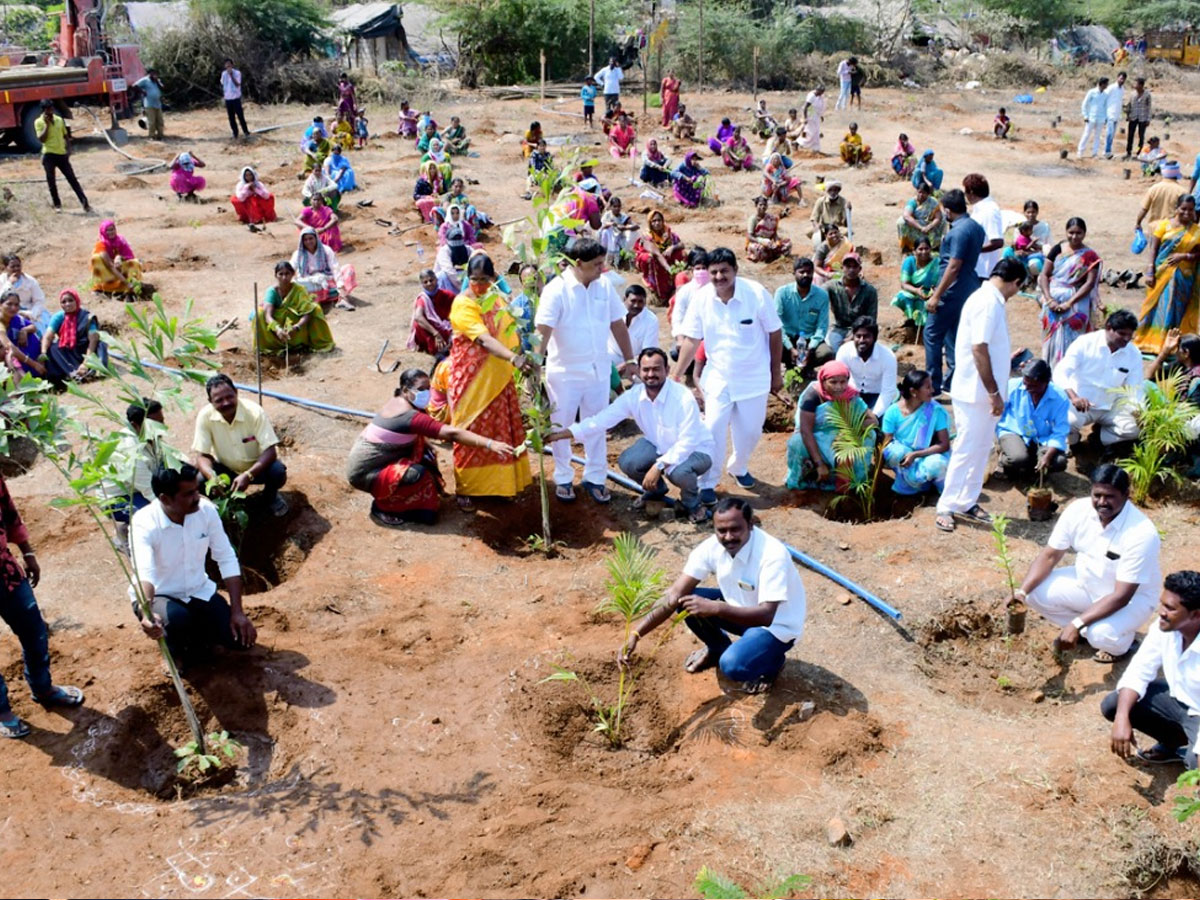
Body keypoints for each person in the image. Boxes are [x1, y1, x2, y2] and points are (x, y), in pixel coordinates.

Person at [619, 497, 806, 693]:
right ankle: (717, 648)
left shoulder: (772, 555)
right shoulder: (711, 548)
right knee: (684, 600)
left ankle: (773, 664)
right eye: (721, 531)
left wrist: (716, 608)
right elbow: (674, 594)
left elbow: (766, 615)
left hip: (776, 626)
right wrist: (636, 634)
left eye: (735, 529)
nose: (728, 537)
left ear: (750, 525)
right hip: (738, 607)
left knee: (733, 666)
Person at [548, 348, 714, 522]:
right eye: (646, 370)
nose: (651, 374)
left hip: (696, 450)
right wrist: (564, 434)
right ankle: (655, 492)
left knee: (678, 472)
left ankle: (692, 504)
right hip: (659, 445)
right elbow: (602, 420)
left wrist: (658, 466)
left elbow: (688, 442)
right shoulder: (634, 396)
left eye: (656, 369)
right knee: (629, 462)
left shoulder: (683, 397)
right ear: (639, 371)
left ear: (667, 369)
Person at [672, 247, 785, 499]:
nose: (719, 277)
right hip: (718, 379)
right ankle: (708, 484)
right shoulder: (701, 298)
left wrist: (775, 373)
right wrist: (676, 374)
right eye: (714, 272)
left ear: (735, 270)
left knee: (751, 432)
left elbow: (775, 332)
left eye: (724, 270)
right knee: (712, 430)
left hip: (754, 379)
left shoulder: (755, 294)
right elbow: (692, 339)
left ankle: (738, 466)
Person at [1018, 464, 1161, 661]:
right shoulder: (1078, 510)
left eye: (1110, 496)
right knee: (1034, 593)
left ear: (1127, 494)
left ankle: (1122, 645)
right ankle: (1087, 628)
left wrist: (1076, 624)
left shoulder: (1142, 532)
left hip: (1132, 600)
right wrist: (1021, 592)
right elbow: (1050, 556)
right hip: (1087, 582)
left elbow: (1121, 596)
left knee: (1101, 635)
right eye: (1097, 495)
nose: (1102, 502)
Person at [347, 368, 515, 528]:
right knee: (419, 475)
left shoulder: (401, 402)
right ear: (405, 391)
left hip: (377, 462)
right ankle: (383, 507)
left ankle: (404, 500)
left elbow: (415, 436)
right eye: (421, 389)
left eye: (428, 388)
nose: (426, 393)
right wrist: (490, 443)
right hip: (364, 474)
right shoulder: (408, 415)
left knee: (425, 454)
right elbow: (452, 434)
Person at [535, 238, 634, 502]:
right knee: (561, 427)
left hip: (598, 372)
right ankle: (564, 476)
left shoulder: (604, 287)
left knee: (597, 426)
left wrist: (630, 359)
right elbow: (542, 332)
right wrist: (535, 365)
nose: (603, 268)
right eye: (597, 264)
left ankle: (595, 476)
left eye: (603, 262)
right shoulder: (556, 290)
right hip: (564, 374)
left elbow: (618, 325)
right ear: (578, 264)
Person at [131, 464, 256, 674]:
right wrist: (148, 611)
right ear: (165, 499)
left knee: (240, 641)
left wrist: (237, 612)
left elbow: (225, 557)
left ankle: (198, 637)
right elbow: (145, 573)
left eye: (197, 490)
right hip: (161, 595)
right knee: (177, 623)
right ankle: (174, 653)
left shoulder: (206, 511)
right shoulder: (143, 522)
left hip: (198, 591)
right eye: (188, 494)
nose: (197, 496)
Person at [933, 258, 1024, 533]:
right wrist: (994, 392)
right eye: (1019, 288)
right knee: (966, 449)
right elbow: (978, 349)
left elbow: (988, 348)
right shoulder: (987, 302)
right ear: (1016, 283)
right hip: (977, 393)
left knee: (982, 449)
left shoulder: (990, 299)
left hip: (983, 392)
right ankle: (946, 506)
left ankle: (967, 500)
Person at [0, 472, 85, 739]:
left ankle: (43, 688)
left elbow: (9, 510)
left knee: (35, 632)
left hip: (6, 574)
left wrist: (27, 551)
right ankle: (2, 712)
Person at [447, 253, 533, 506]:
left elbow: (511, 329)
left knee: (501, 427)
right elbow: (482, 338)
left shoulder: (496, 300)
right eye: (474, 280)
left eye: (484, 280)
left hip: (499, 377)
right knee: (469, 427)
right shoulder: (463, 304)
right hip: (472, 379)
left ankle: (500, 485)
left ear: (494, 278)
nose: (479, 285)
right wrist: (513, 358)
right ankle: (468, 489)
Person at [1104, 570, 1200, 766]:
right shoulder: (1164, 627)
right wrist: (1122, 717)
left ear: (1195, 614)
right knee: (1116, 704)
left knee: (1195, 763)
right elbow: (1139, 669)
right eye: (1162, 604)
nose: (1161, 612)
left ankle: (1190, 751)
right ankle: (1172, 744)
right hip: (1180, 699)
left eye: (1170, 608)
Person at [192, 374, 288, 517]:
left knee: (277, 471)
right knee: (200, 479)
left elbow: (270, 451)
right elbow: (202, 455)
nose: (226, 403)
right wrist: (212, 477)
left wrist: (248, 475)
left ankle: (270, 497)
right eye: (219, 400)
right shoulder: (205, 416)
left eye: (229, 397)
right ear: (210, 401)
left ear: (236, 392)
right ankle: (223, 505)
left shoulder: (254, 412)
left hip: (256, 469)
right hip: (226, 469)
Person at [1054, 309, 1144, 450]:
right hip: (1081, 403)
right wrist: (1074, 397)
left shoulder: (1134, 354)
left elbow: (1134, 389)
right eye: (1122, 334)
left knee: (1134, 429)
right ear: (1108, 328)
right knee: (1067, 422)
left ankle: (1097, 439)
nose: (1126, 339)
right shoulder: (1085, 343)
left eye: (1130, 335)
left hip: (1111, 406)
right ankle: (1072, 440)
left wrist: (1138, 413)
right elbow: (1061, 372)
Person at [924, 189, 985, 396]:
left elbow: (954, 265)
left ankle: (932, 385)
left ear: (948, 211)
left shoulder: (958, 231)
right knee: (955, 335)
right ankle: (953, 380)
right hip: (969, 285)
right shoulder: (976, 227)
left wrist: (936, 295)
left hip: (953, 288)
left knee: (932, 334)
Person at [786, 359, 875, 491]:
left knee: (869, 435)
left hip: (842, 438)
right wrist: (819, 463)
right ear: (823, 381)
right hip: (816, 439)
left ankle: (853, 482)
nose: (839, 387)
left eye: (843, 382)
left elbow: (873, 421)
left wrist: (850, 431)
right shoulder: (812, 396)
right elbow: (805, 431)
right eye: (833, 382)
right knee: (796, 442)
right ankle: (804, 480)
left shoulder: (851, 395)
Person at [1136, 194, 1200, 354]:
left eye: (1190, 210)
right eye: (1183, 209)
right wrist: (1150, 270)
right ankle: (1150, 341)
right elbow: (1153, 249)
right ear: (1176, 208)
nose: (1186, 213)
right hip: (1161, 273)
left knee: (1176, 309)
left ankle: (1171, 344)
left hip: (1185, 278)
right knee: (1155, 307)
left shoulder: (1196, 231)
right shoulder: (1163, 226)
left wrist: (1184, 256)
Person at [1037, 216, 1101, 364]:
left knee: (1074, 338)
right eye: (1071, 232)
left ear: (1084, 233)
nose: (1074, 236)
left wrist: (1069, 303)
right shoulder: (1058, 249)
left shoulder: (1090, 256)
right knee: (1051, 337)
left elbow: (1089, 283)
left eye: (1078, 233)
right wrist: (1049, 299)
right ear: (1066, 232)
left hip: (1076, 300)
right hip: (1052, 297)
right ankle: (1050, 369)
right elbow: (1044, 275)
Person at [995, 357, 1071, 479]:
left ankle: (1031, 463)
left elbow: (1060, 431)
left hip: (1043, 437)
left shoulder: (1059, 397)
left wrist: (1047, 456)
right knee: (1018, 458)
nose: (1027, 389)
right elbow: (997, 410)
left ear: (1046, 382)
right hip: (1013, 430)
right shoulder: (1012, 386)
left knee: (1059, 462)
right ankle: (1006, 458)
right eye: (1025, 384)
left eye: (1033, 386)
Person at [105, 398, 164, 553]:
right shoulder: (130, 448)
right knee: (152, 518)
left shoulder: (152, 437)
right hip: (121, 497)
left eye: (162, 421)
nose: (161, 427)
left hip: (142, 488)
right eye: (154, 425)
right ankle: (128, 538)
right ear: (134, 426)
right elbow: (149, 491)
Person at [881, 369, 951, 495]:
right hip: (903, 457)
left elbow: (944, 444)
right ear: (913, 391)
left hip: (926, 455)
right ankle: (908, 485)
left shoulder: (935, 411)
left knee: (938, 464)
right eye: (928, 387)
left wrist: (916, 454)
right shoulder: (892, 412)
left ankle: (939, 491)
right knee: (896, 452)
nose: (933, 391)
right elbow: (886, 443)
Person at [252, 260, 334, 356]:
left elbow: (306, 312)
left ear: (292, 274)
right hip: (277, 324)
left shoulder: (299, 290)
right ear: (276, 276)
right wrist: (277, 329)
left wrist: (296, 327)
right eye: (280, 274)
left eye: (287, 274)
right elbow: (267, 315)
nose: (284, 277)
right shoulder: (272, 291)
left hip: (294, 325)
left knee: (315, 309)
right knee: (260, 313)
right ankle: (272, 347)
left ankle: (309, 342)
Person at [775, 257, 832, 371]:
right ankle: (790, 364)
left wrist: (810, 349)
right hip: (788, 339)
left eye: (809, 272)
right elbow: (777, 324)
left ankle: (807, 366)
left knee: (827, 353)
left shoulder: (822, 296)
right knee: (768, 347)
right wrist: (791, 348)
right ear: (794, 273)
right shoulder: (782, 293)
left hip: (809, 339)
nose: (805, 275)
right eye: (801, 272)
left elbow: (822, 326)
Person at [40, 289, 107, 385]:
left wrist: (86, 363)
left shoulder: (86, 317)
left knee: (100, 344)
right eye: (64, 302)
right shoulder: (58, 317)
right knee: (53, 348)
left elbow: (93, 339)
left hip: (86, 350)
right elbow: (48, 336)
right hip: (69, 352)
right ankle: (74, 374)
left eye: (71, 300)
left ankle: (88, 372)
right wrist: (43, 354)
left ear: (77, 300)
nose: (67, 304)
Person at [35, 100, 89, 213]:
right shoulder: (38, 122)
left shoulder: (59, 119)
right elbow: (42, 139)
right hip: (49, 155)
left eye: (51, 108)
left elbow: (65, 135)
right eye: (48, 109)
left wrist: (69, 149)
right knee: (51, 181)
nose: (51, 110)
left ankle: (85, 204)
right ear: (43, 110)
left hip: (61, 154)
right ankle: (57, 205)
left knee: (72, 180)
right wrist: (47, 125)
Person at [836, 317, 898, 416]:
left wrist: (874, 415)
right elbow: (838, 382)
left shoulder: (888, 356)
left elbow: (888, 391)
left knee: (885, 419)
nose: (861, 340)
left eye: (866, 336)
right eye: (858, 336)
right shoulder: (844, 351)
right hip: (852, 394)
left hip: (877, 396)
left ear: (875, 338)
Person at [289, 227, 356, 311]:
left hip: (328, 281)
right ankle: (317, 300)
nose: (308, 241)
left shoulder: (326, 250)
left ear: (316, 238)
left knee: (348, 269)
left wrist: (340, 285)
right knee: (296, 284)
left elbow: (335, 268)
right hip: (309, 282)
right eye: (305, 240)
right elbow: (290, 269)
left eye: (311, 238)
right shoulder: (298, 254)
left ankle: (341, 299)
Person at [825, 254, 877, 351]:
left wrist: (852, 338)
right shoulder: (832, 286)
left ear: (860, 269)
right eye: (848, 266)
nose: (851, 270)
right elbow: (817, 295)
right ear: (842, 268)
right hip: (838, 328)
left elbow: (871, 319)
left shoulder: (869, 291)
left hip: (861, 330)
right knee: (836, 350)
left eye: (854, 267)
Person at [634, 210, 687, 305]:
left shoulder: (668, 233)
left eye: (659, 220)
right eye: (653, 221)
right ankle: (658, 293)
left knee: (681, 253)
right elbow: (657, 253)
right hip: (653, 257)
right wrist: (669, 269)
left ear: (663, 221)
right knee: (651, 258)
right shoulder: (647, 236)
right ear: (650, 223)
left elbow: (681, 244)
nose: (657, 223)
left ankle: (675, 287)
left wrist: (672, 247)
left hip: (665, 257)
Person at [892, 238, 940, 331]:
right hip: (915, 293)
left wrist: (935, 293)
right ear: (914, 251)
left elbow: (942, 281)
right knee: (903, 296)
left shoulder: (937, 263)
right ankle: (912, 321)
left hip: (933, 294)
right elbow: (904, 284)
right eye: (920, 249)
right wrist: (916, 291)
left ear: (930, 249)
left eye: (926, 249)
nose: (924, 252)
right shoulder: (909, 261)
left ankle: (926, 325)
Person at [609, 284, 659, 371]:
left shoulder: (651, 320)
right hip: (612, 354)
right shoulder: (613, 311)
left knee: (644, 378)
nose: (636, 305)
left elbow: (647, 352)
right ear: (624, 299)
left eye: (640, 302)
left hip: (636, 360)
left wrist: (626, 364)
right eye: (633, 301)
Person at [964, 173, 1004, 280]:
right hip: (975, 268)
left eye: (966, 192)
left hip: (983, 271)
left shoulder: (989, 210)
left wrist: (975, 250)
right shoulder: (980, 209)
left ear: (971, 192)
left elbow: (997, 242)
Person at [408, 268, 456, 357]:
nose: (429, 284)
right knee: (418, 325)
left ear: (436, 279)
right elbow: (418, 317)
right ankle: (436, 350)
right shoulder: (423, 299)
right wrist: (436, 333)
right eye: (425, 282)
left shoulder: (448, 295)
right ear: (422, 284)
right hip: (431, 331)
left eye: (431, 280)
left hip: (447, 327)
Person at [90, 219, 144, 297]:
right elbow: (110, 266)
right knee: (96, 259)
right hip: (107, 271)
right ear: (103, 232)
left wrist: (119, 258)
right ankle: (100, 288)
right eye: (108, 230)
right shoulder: (101, 244)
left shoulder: (120, 240)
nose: (111, 232)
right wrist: (127, 283)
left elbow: (130, 256)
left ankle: (131, 288)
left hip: (120, 268)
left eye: (112, 229)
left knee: (135, 263)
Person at [1003, 199, 1051, 279]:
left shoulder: (1044, 227)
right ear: (1024, 213)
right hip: (1022, 253)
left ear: (1037, 212)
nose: (1031, 215)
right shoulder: (1020, 226)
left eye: (1033, 212)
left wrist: (1032, 248)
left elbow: (1047, 247)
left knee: (1034, 264)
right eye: (1028, 212)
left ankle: (1035, 279)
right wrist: (1017, 251)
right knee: (1007, 252)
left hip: (1035, 254)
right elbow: (1015, 243)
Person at [0, 255, 49, 332]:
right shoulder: (2, 281)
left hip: (28, 312)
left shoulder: (30, 281)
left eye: (18, 266)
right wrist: (9, 284)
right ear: (6, 268)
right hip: (7, 312)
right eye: (13, 266)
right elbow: (1, 299)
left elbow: (39, 301)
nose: (16, 269)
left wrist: (31, 314)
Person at [1136, 162, 1188, 233]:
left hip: (1155, 229)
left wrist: (1138, 223)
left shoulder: (1154, 189)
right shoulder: (1182, 191)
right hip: (1172, 230)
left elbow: (1144, 209)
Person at [898, 182, 945, 254]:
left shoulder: (933, 202)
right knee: (901, 222)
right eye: (919, 192)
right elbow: (906, 216)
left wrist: (929, 226)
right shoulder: (913, 202)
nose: (921, 195)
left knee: (943, 220)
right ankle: (907, 247)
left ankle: (935, 246)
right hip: (916, 225)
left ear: (928, 194)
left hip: (930, 225)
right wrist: (921, 228)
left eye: (924, 193)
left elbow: (938, 217)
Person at [745, 196, 791, 264]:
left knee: (787, 244)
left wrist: (776, 242)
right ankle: (770, 256)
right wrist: (761, 241)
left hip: (769, 244)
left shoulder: (770, 218)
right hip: (757, 243)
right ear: (756, 205)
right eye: (760, 205)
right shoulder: (753, 219)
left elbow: (774, 233)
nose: (763, 207)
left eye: (765, 205)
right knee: (759, 249)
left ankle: (773, 255)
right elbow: (749, 236)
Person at [599, 196, 639, 269]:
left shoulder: (623, 216)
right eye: (615, 206)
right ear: (611, 207)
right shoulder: (607, 215)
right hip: (608, 240)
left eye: (618, 206)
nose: (617, 208)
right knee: (606, 231)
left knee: (633, 232)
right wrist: (611, 224)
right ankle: (606, 255)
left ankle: (623, 257)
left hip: (620, 239)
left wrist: (624, 228)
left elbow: (636, 226)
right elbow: (601, 226)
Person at [810, 181, 850, 247]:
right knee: (810, 231)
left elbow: (846, 222)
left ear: (838, 191)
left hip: (837, 228)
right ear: (827, 191)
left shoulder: (843, 202)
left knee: (847, 232)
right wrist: (816, 226)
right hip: (824, 227)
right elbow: (814, 218)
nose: (833, 192)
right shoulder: (820, 201)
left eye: (835, 190)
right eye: (830, 190)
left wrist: (848, 211)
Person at [438, 204, 478, 269]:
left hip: (465, 246)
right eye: (453, 213)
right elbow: (443, 239)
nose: (455, 215)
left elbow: (471, 236)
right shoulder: (444, 226)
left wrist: (466, 244)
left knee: (478, 247)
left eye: (457, 213)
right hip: (451, 247)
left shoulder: (465, 224)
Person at [1078, 76, 1110, 159]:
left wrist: (1106, 117)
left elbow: (1106, 106)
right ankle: (1080, 152)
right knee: (1086, 134)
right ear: (1102, 84)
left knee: (1097, 136)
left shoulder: (1105, 95)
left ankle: (1094, 153)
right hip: (1091, 118)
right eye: (1106, 84)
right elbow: (1084, 104)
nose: (1107, 86)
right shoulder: (1092, 92)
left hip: (1101, 118)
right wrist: (1085, 115)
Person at [221, 59, 250, 138]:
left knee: (240, 116)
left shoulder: (237, 73)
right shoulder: (223, 74)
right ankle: (235, 133)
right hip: (228, 99)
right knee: (231, 118)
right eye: (226, 66)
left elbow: (237, 84)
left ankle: (246, 132)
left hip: (236, 99)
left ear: (232, 65)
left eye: (229, 65)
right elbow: (223, 84)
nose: (228, 67)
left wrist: (231, 75)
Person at [133, 69, 165, 140]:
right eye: (153, 74)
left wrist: (157, 82)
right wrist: (142, 91)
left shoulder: (157, 81)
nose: (155, 75)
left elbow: (163, 88)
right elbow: (134, 86)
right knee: (152, 121)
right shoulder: (145, 80)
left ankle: (160, 135)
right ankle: (152, 136)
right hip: (149, 104)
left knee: (160, 121)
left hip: (157, 104)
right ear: (150, 74)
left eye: (156, 74)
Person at [1126, 77, 1152, 161]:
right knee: (1130, 135)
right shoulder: (1132, 94)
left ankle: (1138, 151)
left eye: (1136, 84)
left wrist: (1148, 119)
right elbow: (1129, 105)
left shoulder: (1147, 95)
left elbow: (1149, 108)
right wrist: (1128, 115)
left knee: (1141, 137)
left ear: (1141, 85)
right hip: (1133, 117)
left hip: (1142, 118)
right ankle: (1128, 152)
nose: (1135, 85)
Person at [1105, 71, 1127, 159]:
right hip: (1110, 113)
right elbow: (1105, 98)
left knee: (1112, 134)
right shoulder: (1111, 88)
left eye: (1123, 79)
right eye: (1121, 78)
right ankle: (1107, 151)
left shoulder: (1122, 89)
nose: (1122, 80)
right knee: (1109, 133)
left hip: (1116, 115)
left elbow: (1120, 102)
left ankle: (1107, 150)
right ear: (1117, 77)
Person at [800, 88, 826, 152]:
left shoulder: (819, 96)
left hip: (815, 115)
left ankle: (815, 148)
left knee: (816, 131)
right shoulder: (811, 96)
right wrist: (805, 118)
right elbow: (805, 107)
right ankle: (800, 143)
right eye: (821, 92)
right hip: (810, 114)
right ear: (818, 91)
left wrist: (820, 115)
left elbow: (819, 107)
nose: (822, 94)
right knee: (811, 131)